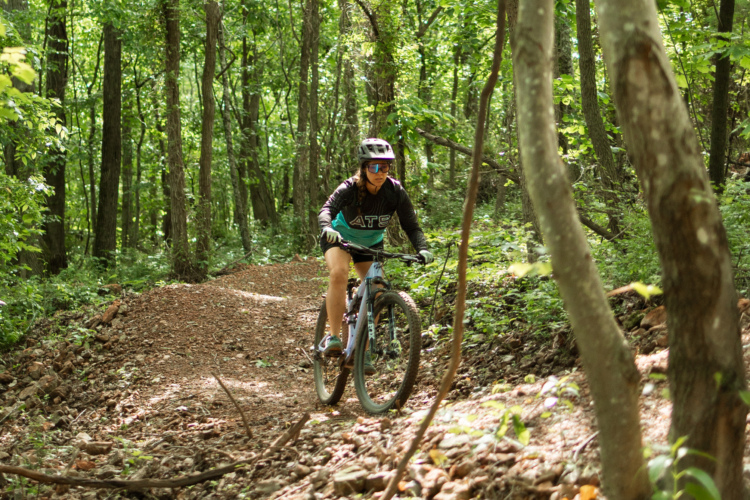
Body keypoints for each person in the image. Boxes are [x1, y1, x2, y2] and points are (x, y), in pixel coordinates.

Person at [318, 138, 434, 371]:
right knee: (339, 273)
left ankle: (362, 352)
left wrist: (422, 248)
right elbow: (327, 209)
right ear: (364, 168)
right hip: (340, 239)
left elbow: (411, 225)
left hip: (370, 244)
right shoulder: (350, 188)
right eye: (374, 167)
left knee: (377, 291)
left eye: (385, 167)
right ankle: (333, 337)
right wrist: (327, 228)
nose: (380, 172)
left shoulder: (395, 191)